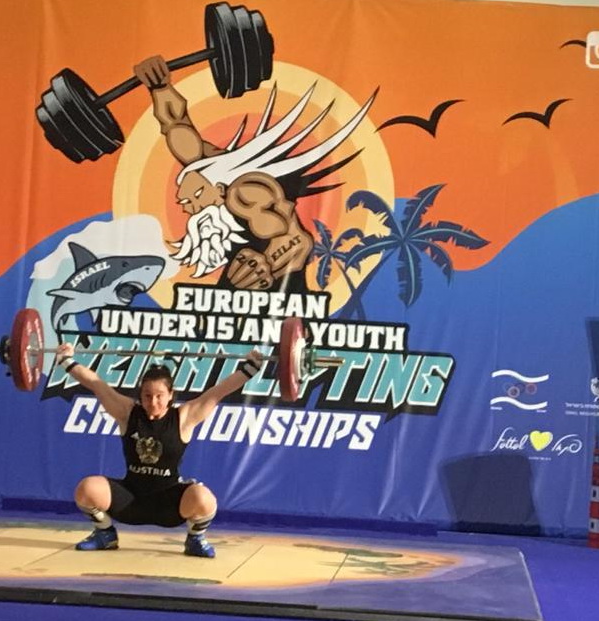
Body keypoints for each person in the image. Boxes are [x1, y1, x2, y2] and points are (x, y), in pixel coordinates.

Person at [131, 55, 374, 292]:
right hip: (237, 289)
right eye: (185, 202)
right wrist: (159, 86)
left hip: (280, 292)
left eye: (195, 198)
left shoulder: (244, 191)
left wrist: (267, 267)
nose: (189, 208)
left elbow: (297, 241)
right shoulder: (208, 174)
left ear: (220, 190)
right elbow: (176, 123)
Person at [56, 343, 263, 558]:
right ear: (140, 395)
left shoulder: (184, 417)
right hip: (130, 500)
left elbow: (218, 392)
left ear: (170, 395)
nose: (153, 402)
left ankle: (195, 539)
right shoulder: (128, 413)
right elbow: (96, 384)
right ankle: (105, 534)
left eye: (159, 396)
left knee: (203, 498)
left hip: (169, 504)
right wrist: (66, 361)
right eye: (147, 395)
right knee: (87, 488)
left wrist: (251, 368)